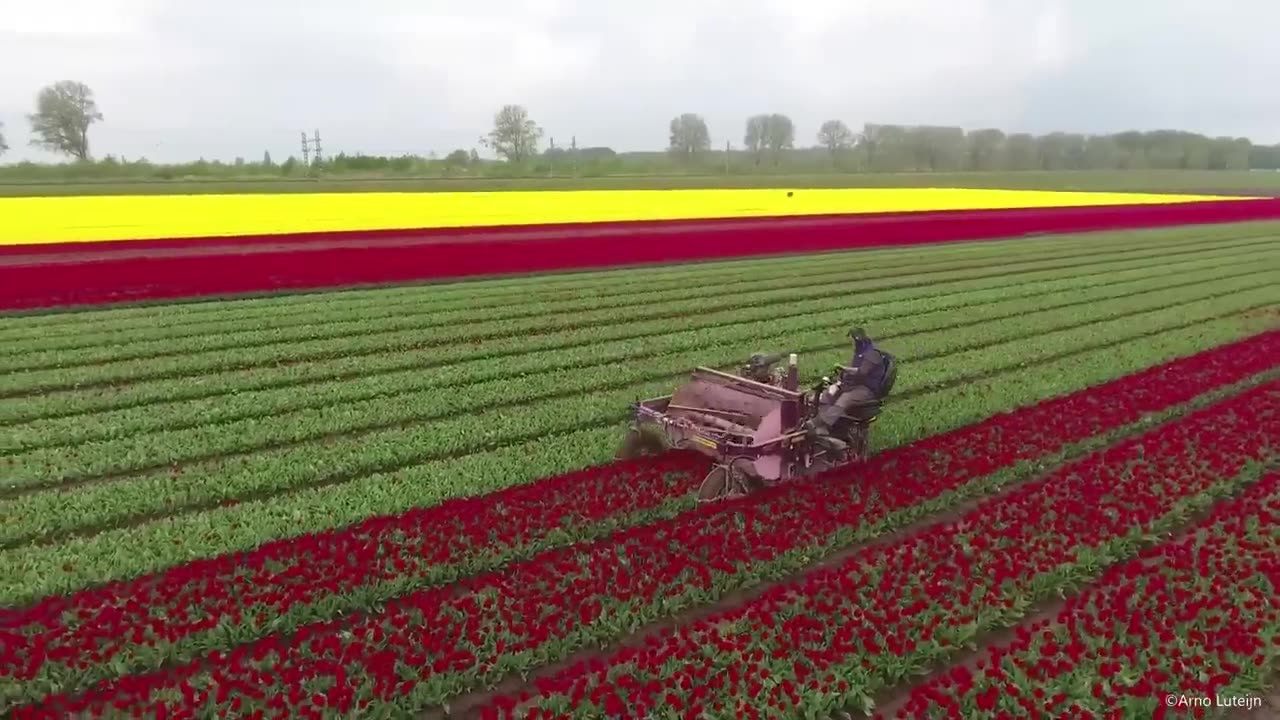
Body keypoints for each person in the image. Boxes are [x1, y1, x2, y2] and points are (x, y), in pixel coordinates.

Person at [806, 327, 896, 449]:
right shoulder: (860, 352)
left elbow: (861, 372)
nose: (851, 343)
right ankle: (823, 424)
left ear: (858, 339)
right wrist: (840, 381)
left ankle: (821, 423)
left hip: (867, 390)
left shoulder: (873, 354)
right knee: (830, 393)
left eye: (853, 340)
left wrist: (844, 369)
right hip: (856, 385)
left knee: (845, 399)